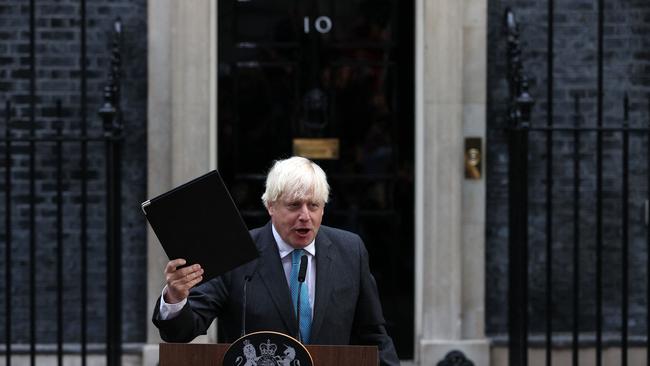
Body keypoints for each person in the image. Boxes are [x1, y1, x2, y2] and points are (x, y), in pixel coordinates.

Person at [152, 156, 400, 366]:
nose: (305, 216)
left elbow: (374, 336)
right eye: (294, 206)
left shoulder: (350, 250)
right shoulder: (237, 254)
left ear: (323, 208)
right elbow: (181, 332)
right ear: (270, 206)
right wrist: (175, 297)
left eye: (313, 205)